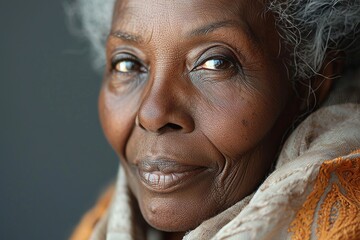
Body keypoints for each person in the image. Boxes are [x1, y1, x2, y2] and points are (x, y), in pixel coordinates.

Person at [69, 0, 360, 239]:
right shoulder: (100, 224)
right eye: (127, 64)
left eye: (216, 62)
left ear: (310, 84)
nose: (153, 114)